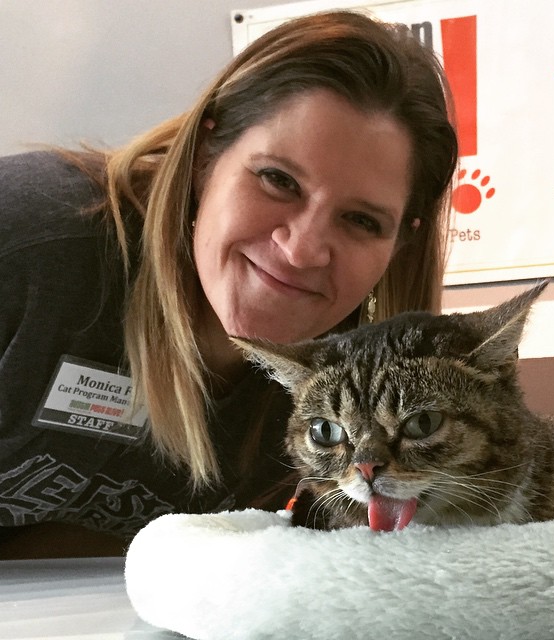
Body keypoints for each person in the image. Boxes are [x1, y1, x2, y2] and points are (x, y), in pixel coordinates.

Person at [0, 10, 457, 558]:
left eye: (361, 221)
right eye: (277, 180)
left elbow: (100, 557)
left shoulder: (341, 400)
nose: (301, 249)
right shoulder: (27, 241)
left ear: (399, 243)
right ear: (203, 157)